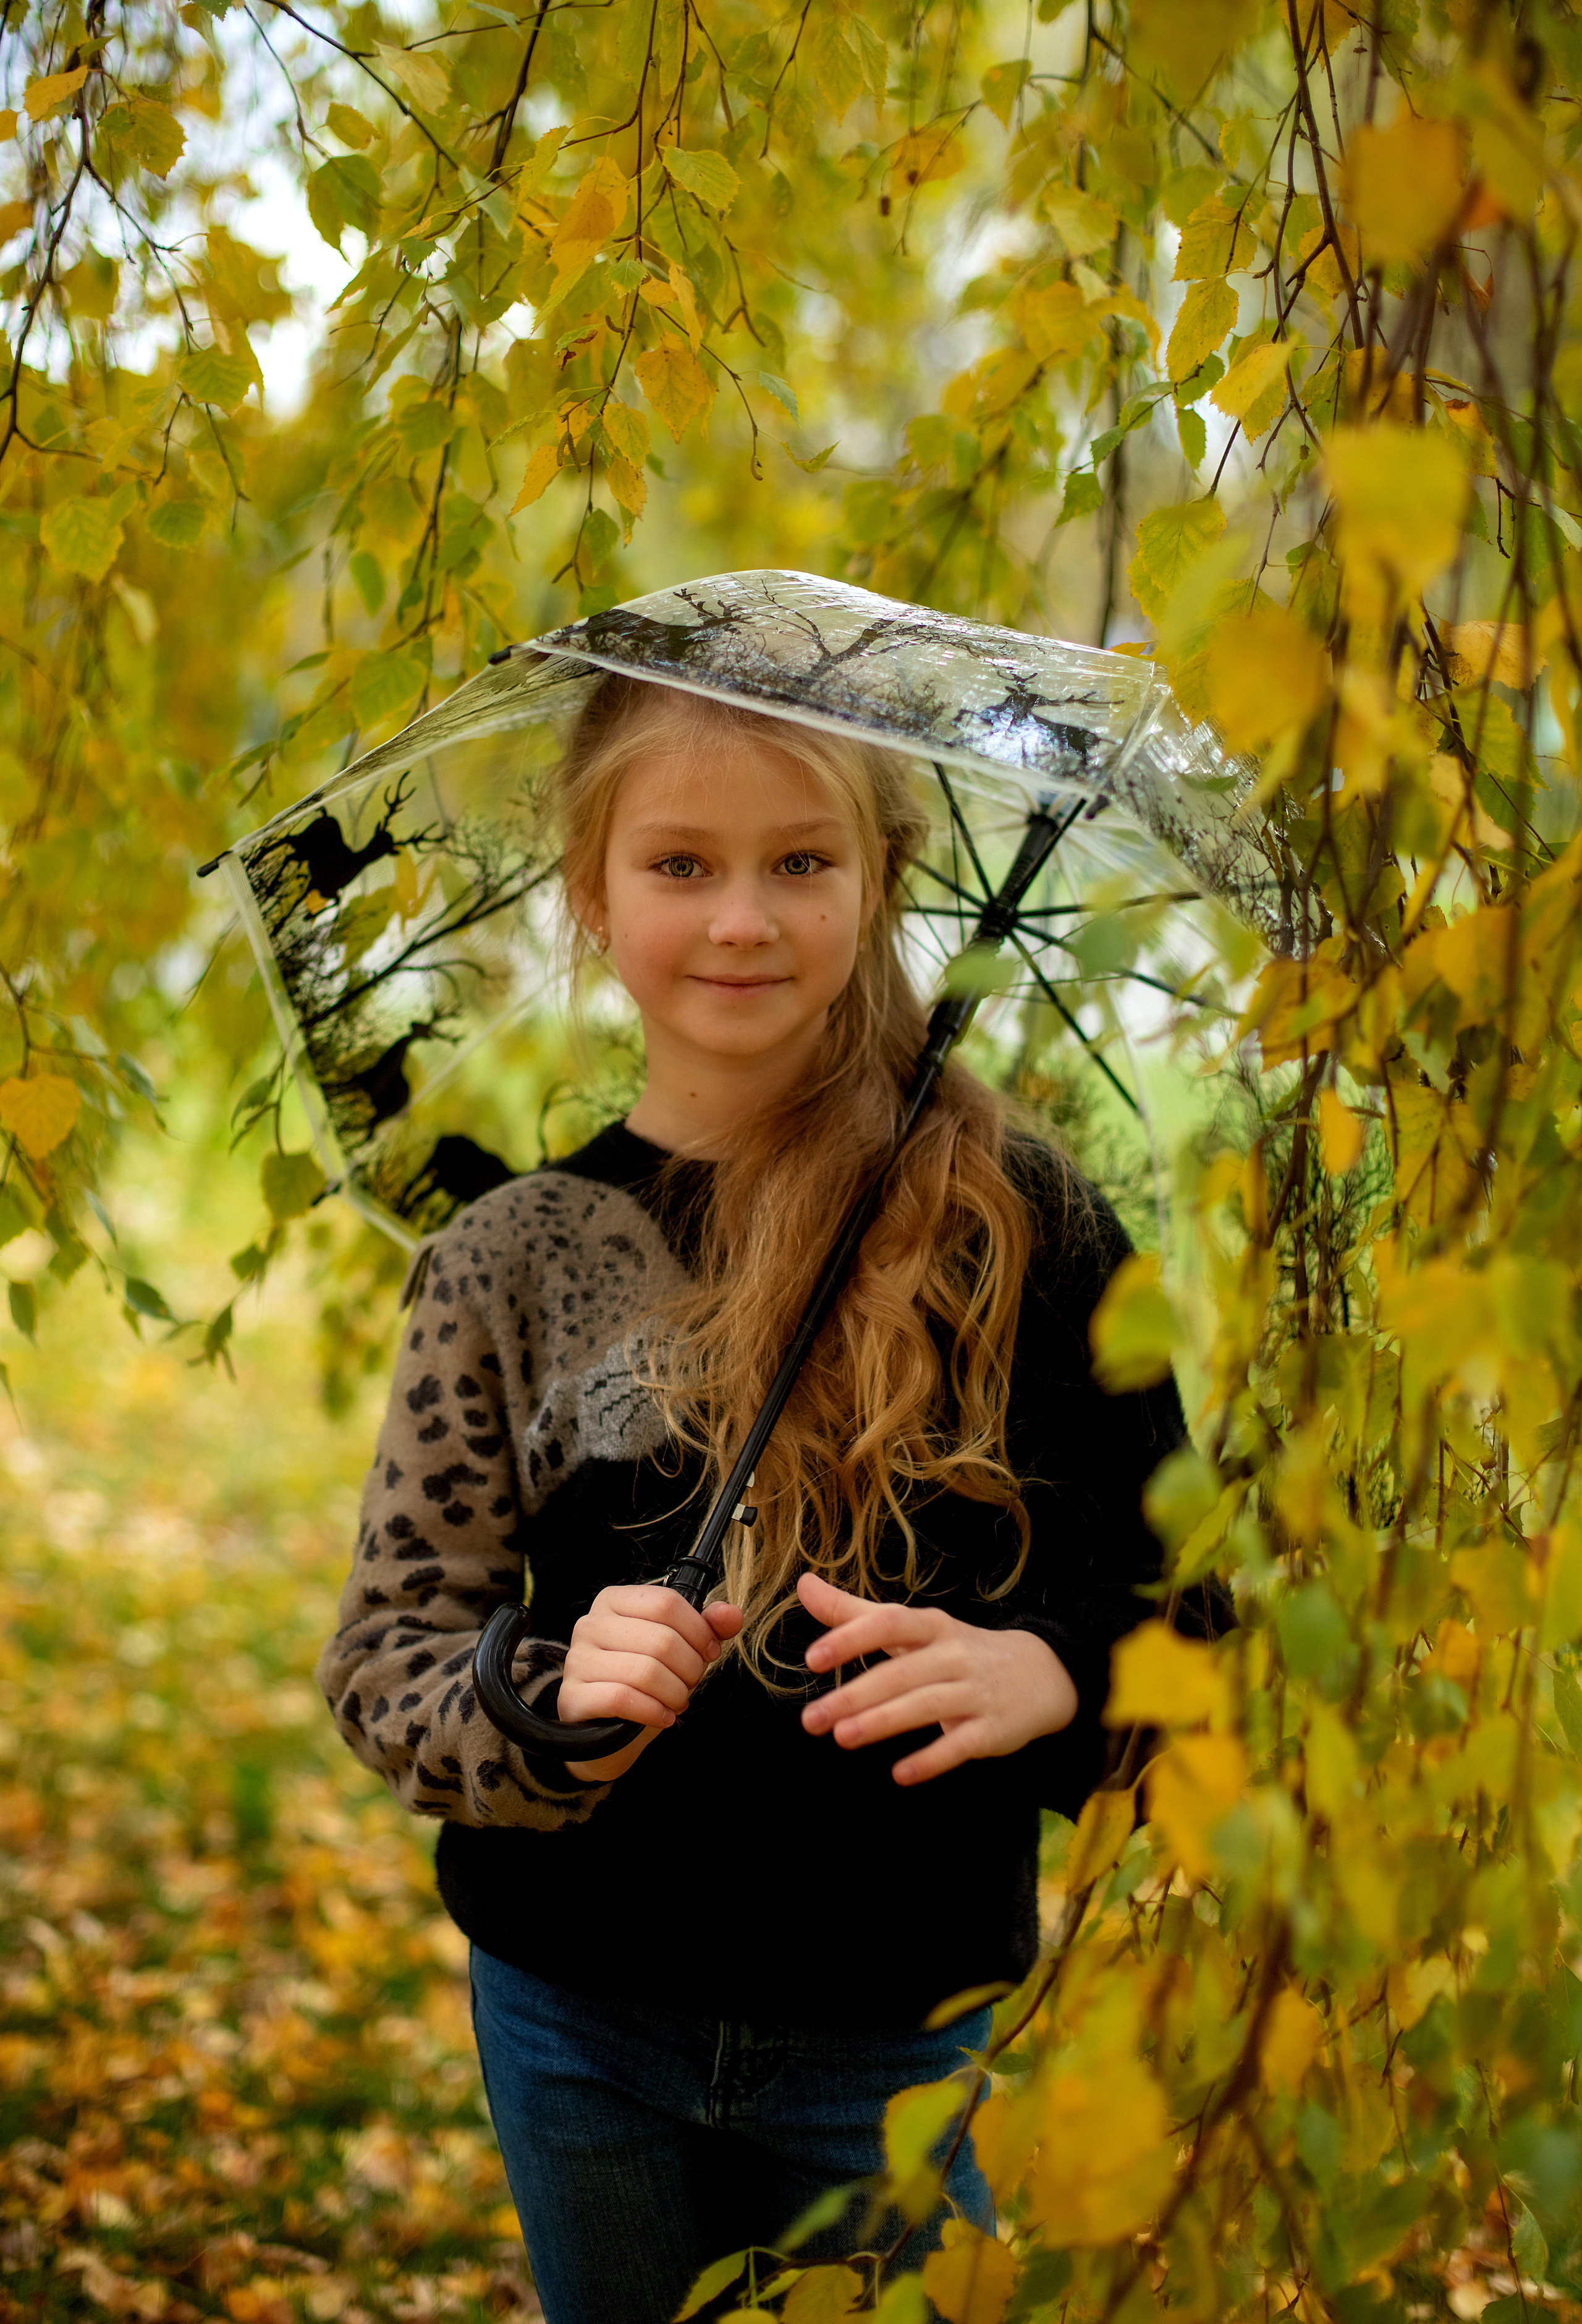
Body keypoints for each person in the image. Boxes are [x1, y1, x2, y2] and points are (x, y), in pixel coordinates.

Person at [316, 671, 1186, 2323]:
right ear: (593, 891)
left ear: (881, 882)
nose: (743, 920)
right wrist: (538, 1693)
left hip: (907, 2038)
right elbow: (387, 1664)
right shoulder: (513, 1261)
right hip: (578, 2023)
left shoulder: (1030, 1233)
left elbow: (1201, 1613)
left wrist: (1061, 1674)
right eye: (680, 865)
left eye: (801, 864)